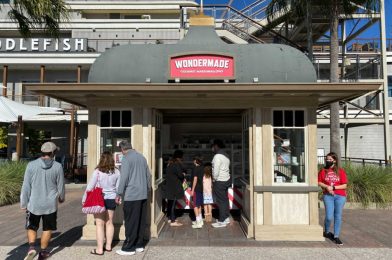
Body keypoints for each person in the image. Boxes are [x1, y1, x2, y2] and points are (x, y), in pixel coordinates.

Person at [20, 142, 65, 260]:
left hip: (33, 203)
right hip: (50, 205)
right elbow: (61, 185)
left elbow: (26, 186)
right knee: (47, 228)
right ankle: (43, 252)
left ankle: (31, 248)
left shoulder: (31, 165)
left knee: (31, 227)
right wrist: (61, 197)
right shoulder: (58, 166)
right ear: (53, 153)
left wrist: (23, 202)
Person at [115, 141, 151, 256]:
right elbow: (148, 175)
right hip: (143, 194)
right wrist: (148, 189)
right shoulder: (142, 157)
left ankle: (128, 248)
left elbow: (124, 177)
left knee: (130, 221)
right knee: (140, 220)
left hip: (132, 195)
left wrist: (119, 193)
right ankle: (139, 245)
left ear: (122, 149)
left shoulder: (126, 159)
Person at [82, 151, 120, 256]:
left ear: (101, 159)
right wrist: (118, 197)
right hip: (112, 198)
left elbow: (90, 187)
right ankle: (108, 246)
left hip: (99, 199)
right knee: (109, 222)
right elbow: (118, 188)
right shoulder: (116, 171)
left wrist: (84, 199)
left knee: (99, 224)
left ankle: (99, 249)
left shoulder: (97, 171)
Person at [318, 152, 348, 246]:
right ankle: (326, 232)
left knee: (338, 216)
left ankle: (336, 236)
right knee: (329, 216)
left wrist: (334, 188)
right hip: (328, 196)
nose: (328, 161)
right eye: (327, 159)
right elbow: (319, 182)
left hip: (340, 196)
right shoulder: (323, 171)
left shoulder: (340, 171)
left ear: (334, 161)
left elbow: (344, 185)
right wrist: (327, 187)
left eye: (330, 159)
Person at [211, 139, 231, 228]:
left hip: (219, 181)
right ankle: (226, 217)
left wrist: (214, 180)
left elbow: (215, 171)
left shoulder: (217, 156)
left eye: (213, 147)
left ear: (216, 146)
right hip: (226, 180)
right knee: (225, 199)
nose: (212, 149)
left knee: (221, 201)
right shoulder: (226, 155)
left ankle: (222, 220)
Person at [165, 150, 186, 227]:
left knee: (170, 203)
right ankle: (173, 221)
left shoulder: (170, 163)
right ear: (179, 157)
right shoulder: (176, 165)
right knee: (173, 204)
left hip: (169, 186)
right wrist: (183, 174)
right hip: (174, 187)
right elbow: (180, 175)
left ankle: (170, 218)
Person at [190, 155, 204, 229]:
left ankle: (198, 222)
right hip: (201, 188)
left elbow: (195, 179)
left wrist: (192, 190)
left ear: (196, 160)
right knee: (199, 205)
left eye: (194, 159)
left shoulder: (195, 168)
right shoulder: (202, 168)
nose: (193, 161)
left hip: (196, 189)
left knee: (195, 205)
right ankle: (200, 220)